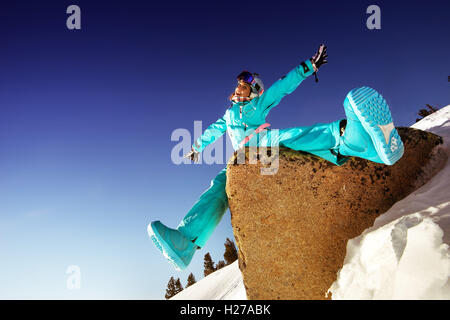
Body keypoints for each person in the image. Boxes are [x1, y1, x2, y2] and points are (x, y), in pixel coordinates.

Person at [148, 45, 404, 271]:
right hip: (240, 159)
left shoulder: (259, 104)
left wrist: (307, 67)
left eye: (243, 85)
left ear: (255, 90)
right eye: (237, 84)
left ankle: (352, 138)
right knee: (217, 189)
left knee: (290, 137)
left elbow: (282, 88)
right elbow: (214, 130)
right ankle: (185, 242)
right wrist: (195, 147)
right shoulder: (229, 115)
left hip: (261, 142)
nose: (238, 88)